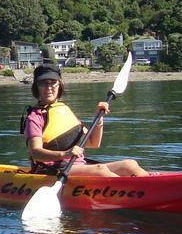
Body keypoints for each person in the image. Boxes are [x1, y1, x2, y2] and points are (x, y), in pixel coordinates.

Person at [20, 62, 148, 178]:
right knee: (100, 169)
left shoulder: (64, 110)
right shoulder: (34, 117)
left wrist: (99, 119)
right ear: (37, 87)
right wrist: (65, 154)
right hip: (51, 170)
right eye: (43, 83)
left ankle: (152, 187)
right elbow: (35, 153)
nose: (48, 87)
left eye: (53, 82)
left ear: (59, 84)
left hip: (77, 166)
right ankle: (135, 194)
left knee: (129, 164)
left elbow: (93, 143)